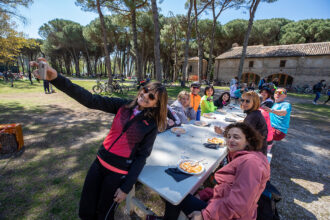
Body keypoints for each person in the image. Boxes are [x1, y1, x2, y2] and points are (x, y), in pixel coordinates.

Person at [30, 57, 168, 220]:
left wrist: (126, 187)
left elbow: (142, 157)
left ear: (156, 104)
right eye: (145, 90)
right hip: (98, 164)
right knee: (85, 211)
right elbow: (90, 100)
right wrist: (56, 78)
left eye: (151, 97)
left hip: (117, 174)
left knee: (103, 215)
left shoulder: (150, 125)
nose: (145, 95)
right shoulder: (123, 106)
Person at [163, 123, 270, 220]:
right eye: (229, 136)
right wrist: (204, 193)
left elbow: (239, 204)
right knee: (177, 195)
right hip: (222, 207)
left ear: (248, 140)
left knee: (173, 195)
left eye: (236, 137)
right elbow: (226, 187)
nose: (231, 140)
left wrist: (205, 215)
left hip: (229, 216)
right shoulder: (242, 157)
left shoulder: (250, 163)